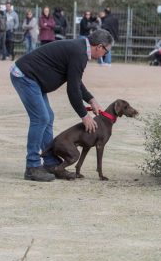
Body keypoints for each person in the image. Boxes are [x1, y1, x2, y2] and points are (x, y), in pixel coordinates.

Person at [10, 29, 113, 182]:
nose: (105, 55)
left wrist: (91, 99)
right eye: (106, 51)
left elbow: (75, 81)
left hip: (35, 79)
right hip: (25, 75)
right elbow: (72, 89)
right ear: (99, 46)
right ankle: (32, 167)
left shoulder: (79, 50)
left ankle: (50, 163)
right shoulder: (79, 53)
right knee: (41, 118)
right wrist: (84, 116)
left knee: (48, 117)